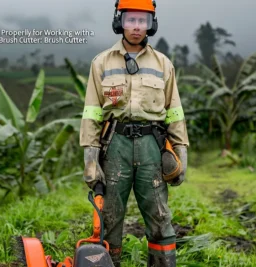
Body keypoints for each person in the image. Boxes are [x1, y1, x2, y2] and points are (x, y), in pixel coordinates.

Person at [79, 0, 189, 266]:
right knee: (110, 217)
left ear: (151, 24)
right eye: (131, 20)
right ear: (120, 22)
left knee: (160, 216)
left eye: (142, 21)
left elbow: (174, 112)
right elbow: (92, 113)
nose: (136, 27)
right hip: (115, 145)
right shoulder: (101, 62)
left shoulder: (163, 64)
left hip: (152, 146)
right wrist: (91, 159)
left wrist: (181, 152)